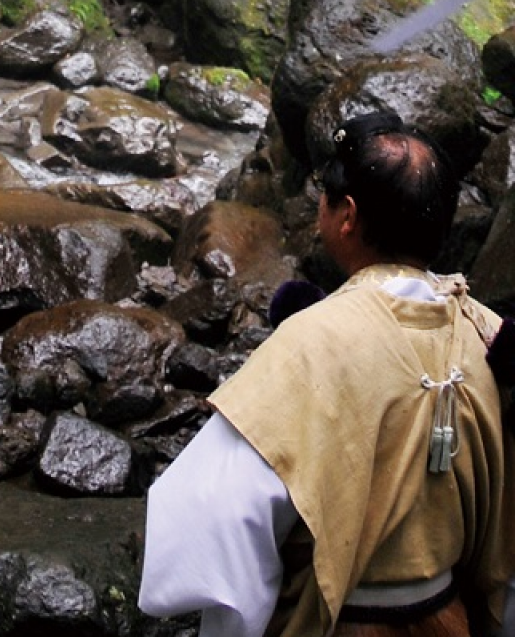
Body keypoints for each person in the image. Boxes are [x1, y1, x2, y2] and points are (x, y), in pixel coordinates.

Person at [139, 110, 515, 637]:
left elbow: (220, 518)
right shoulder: (489, 333)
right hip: (449, 619)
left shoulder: (311, 341)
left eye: (326, 197)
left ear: (346, 217)